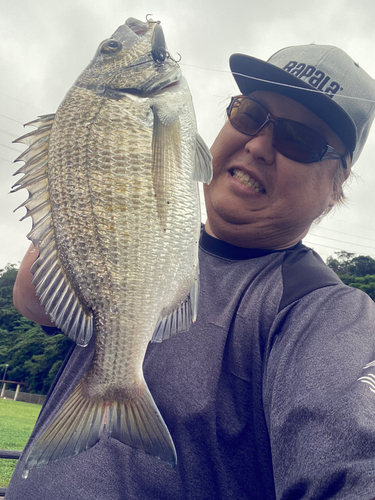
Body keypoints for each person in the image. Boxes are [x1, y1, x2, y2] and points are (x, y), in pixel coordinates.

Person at [6, 43, 375, 500]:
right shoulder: (139, 243)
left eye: (298, 139)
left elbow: (355, 460)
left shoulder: (322, 313)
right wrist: (92, 161)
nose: (259, 144)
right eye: (248, 114)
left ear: (336, 189)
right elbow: (30, 299)